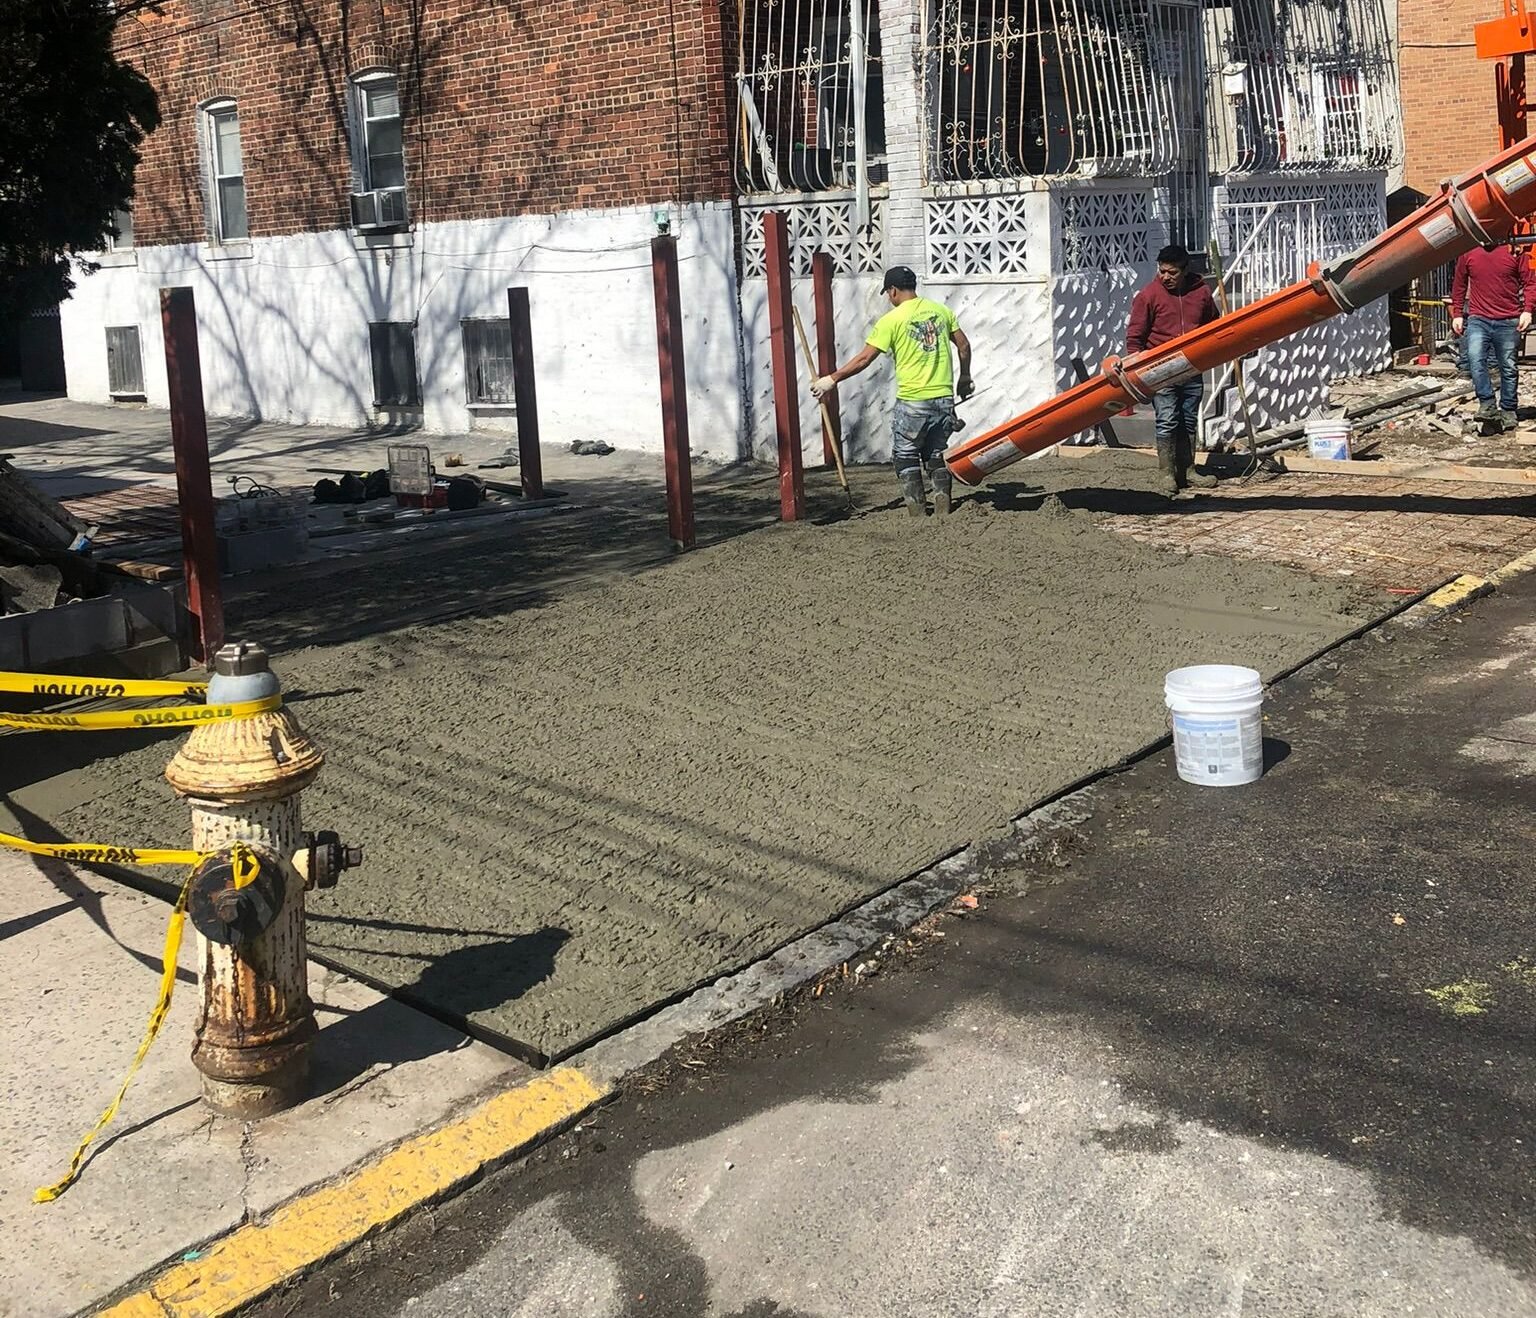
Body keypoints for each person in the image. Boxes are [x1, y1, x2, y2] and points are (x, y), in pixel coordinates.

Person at [812, 266, 973, 517]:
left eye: (888, 293)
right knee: (935, 454)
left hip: (913, 401)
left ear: (894, 290)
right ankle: (943, 509)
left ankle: (918, 515)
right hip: (943, 400)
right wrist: (964, 376)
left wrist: (832, 379)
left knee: (906, 457)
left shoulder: (891, 320)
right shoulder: (941, 311)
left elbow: (864, 358)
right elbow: (963, 345)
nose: (889, 297)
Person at [1126, 244, 1221, 495]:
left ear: (1185, 270)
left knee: (1188, 419)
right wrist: (1138, 367)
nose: (1166, 277)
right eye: (1162, 271)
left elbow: (1212, 324)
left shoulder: (1201, 293)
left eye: (1172, 272)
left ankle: (1187, 470)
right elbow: (1135, 337)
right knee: (1167, 420)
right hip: (1161, 369)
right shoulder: (1148, 296)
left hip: (1191, 366)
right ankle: (1166, 473)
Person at [1451, 240, 1533, 431]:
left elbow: (1530, 282)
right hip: (1479, 318)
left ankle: (1508, 409)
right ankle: (1487, 404)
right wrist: (1457, 313)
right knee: (1475, 360)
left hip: (1509, 319)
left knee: (1508, 366)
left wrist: (1528, 310)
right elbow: (1459, 283)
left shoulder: (1515, 251)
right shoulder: (1468, 252)